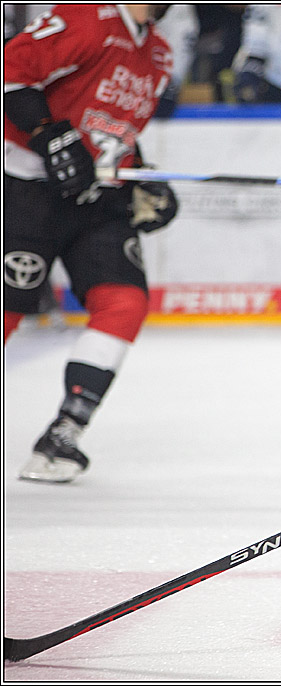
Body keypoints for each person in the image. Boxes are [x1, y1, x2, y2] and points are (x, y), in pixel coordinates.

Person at [4, 3, 179, 483]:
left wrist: (141, 176)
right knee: (8, 308)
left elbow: (114, 130)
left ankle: (63, 434)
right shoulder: (86, 17)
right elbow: (11, 72)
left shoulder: (159, 54)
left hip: (99, 198)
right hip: (26, 189)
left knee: (124, 302)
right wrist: (48, 135)